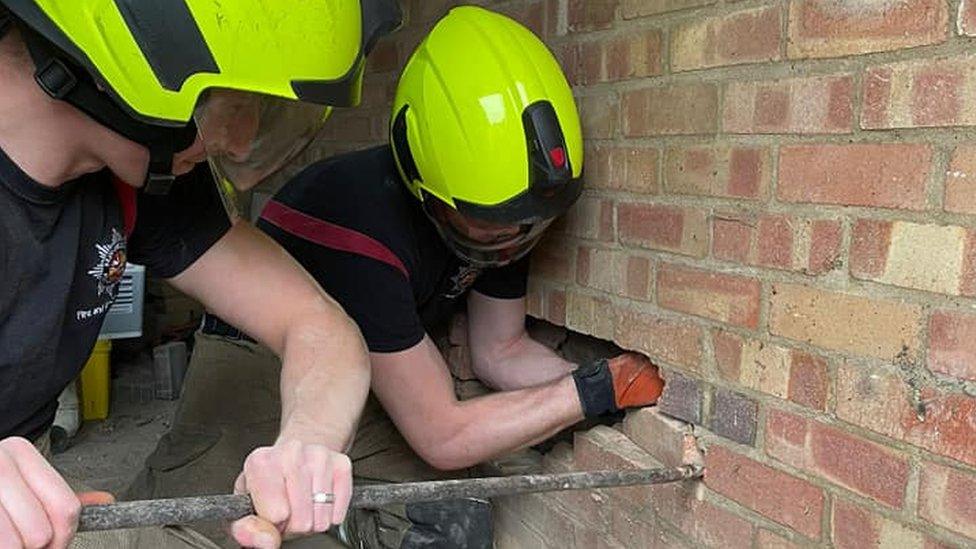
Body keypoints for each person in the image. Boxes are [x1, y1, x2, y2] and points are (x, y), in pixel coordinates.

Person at [135, 7, 666, 549]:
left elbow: (500, 350)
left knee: (446, 517)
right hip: (258, 367)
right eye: (488, 230)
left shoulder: (501, 205)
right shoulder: (356, 224)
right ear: (426, 189)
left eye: (526, 229)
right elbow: (442, 433)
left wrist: (595, 385)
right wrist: (593, 390)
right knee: (201, 527)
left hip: (365, 375)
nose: (509, 245)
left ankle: (344, 513)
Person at [0, 1, 401, 548]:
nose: (238, 142)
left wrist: (308, 441)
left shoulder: (136, 168)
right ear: (128, 65)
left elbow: (316, 322)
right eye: (230, 105)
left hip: (34, 487)